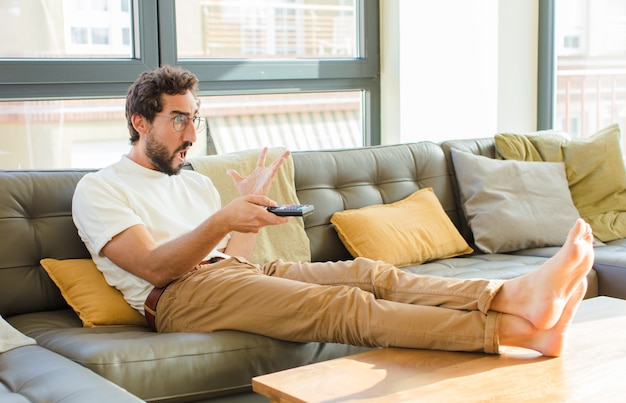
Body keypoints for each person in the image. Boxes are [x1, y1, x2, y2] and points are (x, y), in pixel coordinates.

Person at [72, 65, 593, 357]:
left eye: (196, 120)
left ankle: (508, 294)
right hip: (178, 298)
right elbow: (156, 267)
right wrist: (223, 219)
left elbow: (238, 260)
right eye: (178, 120)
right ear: (140, 122)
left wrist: (247, 212)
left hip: (234, 275)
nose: (192, 134)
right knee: (344, 306)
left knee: (368, 273)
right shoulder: (100, 189)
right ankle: (512, 331)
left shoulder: (193, 183)